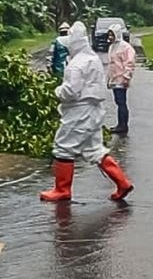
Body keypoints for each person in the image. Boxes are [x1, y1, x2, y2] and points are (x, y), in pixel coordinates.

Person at [40, 21, 134, 202]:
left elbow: (71, 91)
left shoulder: (76, 65)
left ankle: (62, 190)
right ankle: (122, 183)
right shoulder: (93, 59)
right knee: (95, 150)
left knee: (63, 147)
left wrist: (57, 91)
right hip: (95, 111)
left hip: (78, 112)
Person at [106, 24, 136, 135]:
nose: (110, 37)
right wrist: (109, 79)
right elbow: (111, 64)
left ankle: (123, 125)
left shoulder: (125, 47)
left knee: (121, 102)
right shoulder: (112, 47)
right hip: (114, 79)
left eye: (112, 34)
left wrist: (126, 77)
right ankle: (120, 124)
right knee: (118, 102)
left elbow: (130, 63)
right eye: (109, 34)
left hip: (121, 79)